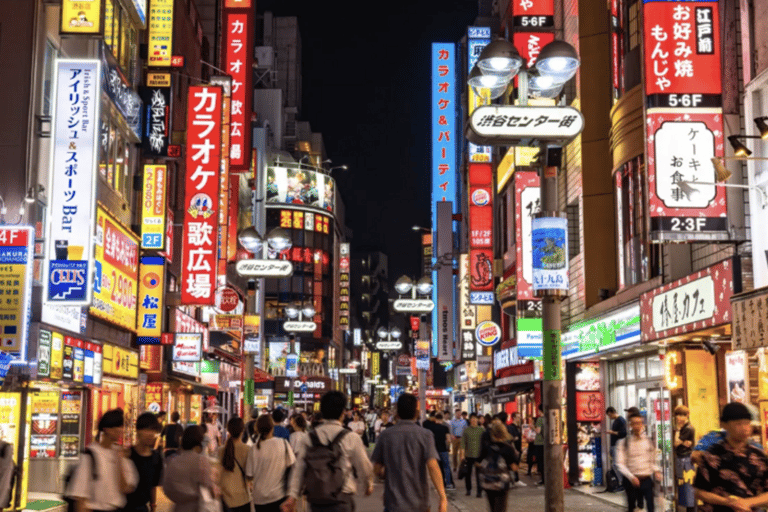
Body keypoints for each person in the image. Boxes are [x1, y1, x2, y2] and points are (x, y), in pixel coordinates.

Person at [283, 391, 374, 512]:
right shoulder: (351, 437)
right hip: (342, 499)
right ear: (343, 412)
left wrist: (292, 496)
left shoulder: (309, 438)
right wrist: (368, 484)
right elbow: (364, 465)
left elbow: (299, 468)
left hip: (317, 500)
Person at [370, 393, 447, 512]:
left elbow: (376, 466)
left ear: (397, 413)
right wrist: (442, 498)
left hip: (394, 504)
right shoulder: (425, 435)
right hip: (419, 503)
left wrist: (370, 483)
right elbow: (433, 466)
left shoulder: (385, 435)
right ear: (416, 413)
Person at [694, 402, 768, 512]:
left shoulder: (759, 456)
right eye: (738, 424)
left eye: (747, 423)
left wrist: (747, 503)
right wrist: (727, 502)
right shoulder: (711, 455)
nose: (745, 428)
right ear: (724, 425)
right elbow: (698, 491)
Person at [66, 408, 139, 512]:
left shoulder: (121, 454)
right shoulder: (90, 455)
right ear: (106, 429)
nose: (121, 430)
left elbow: (126, 488)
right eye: (118, 426)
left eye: (122, 426)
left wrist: (119, 461)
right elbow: (80, 497)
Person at [162, 425, 218, 512]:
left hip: (178, 508)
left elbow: (166, 488)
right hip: (195, 508)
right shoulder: (201, 461)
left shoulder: (173, 460)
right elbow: (209, 487)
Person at [246, 415, 294, 512]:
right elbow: (292, 465)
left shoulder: (254, 449)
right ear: (272, 427)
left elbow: (249, 475)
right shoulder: (283, 443)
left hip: (259, 498)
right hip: (278, 495)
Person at [615, 411, 660, 512]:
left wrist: (656, 470)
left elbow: (651, 461)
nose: (637, 426)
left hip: (646, 478)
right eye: (634, 423)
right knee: (632, 506)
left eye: (639, 423)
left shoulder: (648, 441)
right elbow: (620, 463)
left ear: (642, 424)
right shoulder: (624, 442)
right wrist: (631, 477)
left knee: (651, 506)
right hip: (631, 480)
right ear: (630, 425)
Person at [123, 412, 164, 512]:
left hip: (142, 508)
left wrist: (153, 506)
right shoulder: (127, 455)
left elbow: (153, 486)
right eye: (146, 429)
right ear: (138, 431)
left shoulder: (156, 457)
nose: (150, 434)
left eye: (153, 430)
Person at [476, 422, 519, 512]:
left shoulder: (487, 447)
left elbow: (477, 462)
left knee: (492, 507)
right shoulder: (508, 449)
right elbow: (514, 467)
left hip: (488, 482)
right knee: (500, 508)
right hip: (502, 484)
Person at [218, 417, 252, 512]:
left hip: (224, 501)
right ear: (243, 431)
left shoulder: (220, 451)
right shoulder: (248, 450)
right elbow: (250, 476)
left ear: (228, 430)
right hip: (242, 499)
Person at [671, 405, 696, 512]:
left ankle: (691, 510)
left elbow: (676, 443)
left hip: (686, 460)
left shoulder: (687, 428)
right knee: (683, 487)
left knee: (687, 487)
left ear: (687, 415)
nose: (679, 417)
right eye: (677, 415)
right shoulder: (685, 428)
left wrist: (677, 430)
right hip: (682, 459)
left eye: (682, 415)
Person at [424, 412, 455, 490]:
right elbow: (448, 440)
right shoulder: (445, 428)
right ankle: (448, 484)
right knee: (446, 467)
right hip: (443, 450)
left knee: (437, 468)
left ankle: (438, 485)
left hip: (434, 450)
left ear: (435, 419)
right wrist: (448, 447)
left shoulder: (431, 428)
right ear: (441, 419)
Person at [461, 413, 486, 497]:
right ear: (470, 419)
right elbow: (463, 444)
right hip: (469, 455)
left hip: (479, 456)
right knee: (468, 473)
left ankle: (479, 492)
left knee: (479, 475)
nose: (474, 420)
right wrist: (462, 455)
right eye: (472, 418)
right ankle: (468, 489)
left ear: (477, 420)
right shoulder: (466, 430)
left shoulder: (481, 430)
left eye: (475, 418)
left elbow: (485, 443)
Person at [606, 406, 628, 491]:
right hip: (614, 446)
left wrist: (612, 432)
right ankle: (621, 482)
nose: (609, 417)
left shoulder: (621, 420)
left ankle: (623, 483)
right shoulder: (616, 421)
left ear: (612, 412)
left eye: (609, 415)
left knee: (617, 464)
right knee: (615, 464)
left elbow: (623, 433)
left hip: (618, 446)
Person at [506, 413, 522, 483]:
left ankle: (515, 479)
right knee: (514, 463)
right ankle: (515, 479)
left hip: (518, 448)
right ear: (514, 418)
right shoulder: (511, 427)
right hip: (514, 448)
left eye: (519, 417)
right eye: (518, 417)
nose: (519, 419)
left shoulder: (518, 427)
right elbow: (512, 438)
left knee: (516, 463)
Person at [533, 405, 545, 485]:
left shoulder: (540, 419)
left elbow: (538, 431)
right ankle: (545, 479)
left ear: (540, 410)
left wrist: (532, 427)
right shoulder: (547, 418)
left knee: (540, 462)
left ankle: (543, 479)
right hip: (546, 443)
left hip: (539, 442)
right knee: (544, 461)